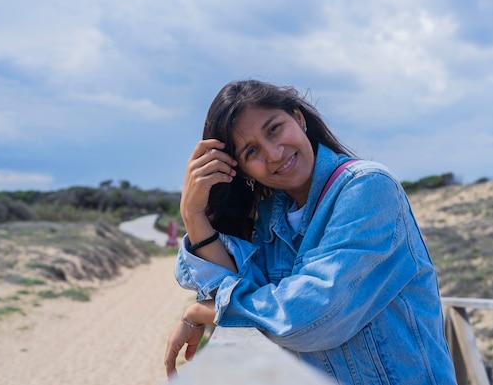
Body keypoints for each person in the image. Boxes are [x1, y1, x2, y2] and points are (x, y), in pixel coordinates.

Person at [164, 80, 457, 384]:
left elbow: (313, 316)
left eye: (274, 129)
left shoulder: (368, 188)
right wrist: (193, 215)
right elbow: (240, 289)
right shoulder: (271, 221)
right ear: (240, 169)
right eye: (252, 151)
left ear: (299, 118)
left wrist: (203, 311)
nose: (274, 153)